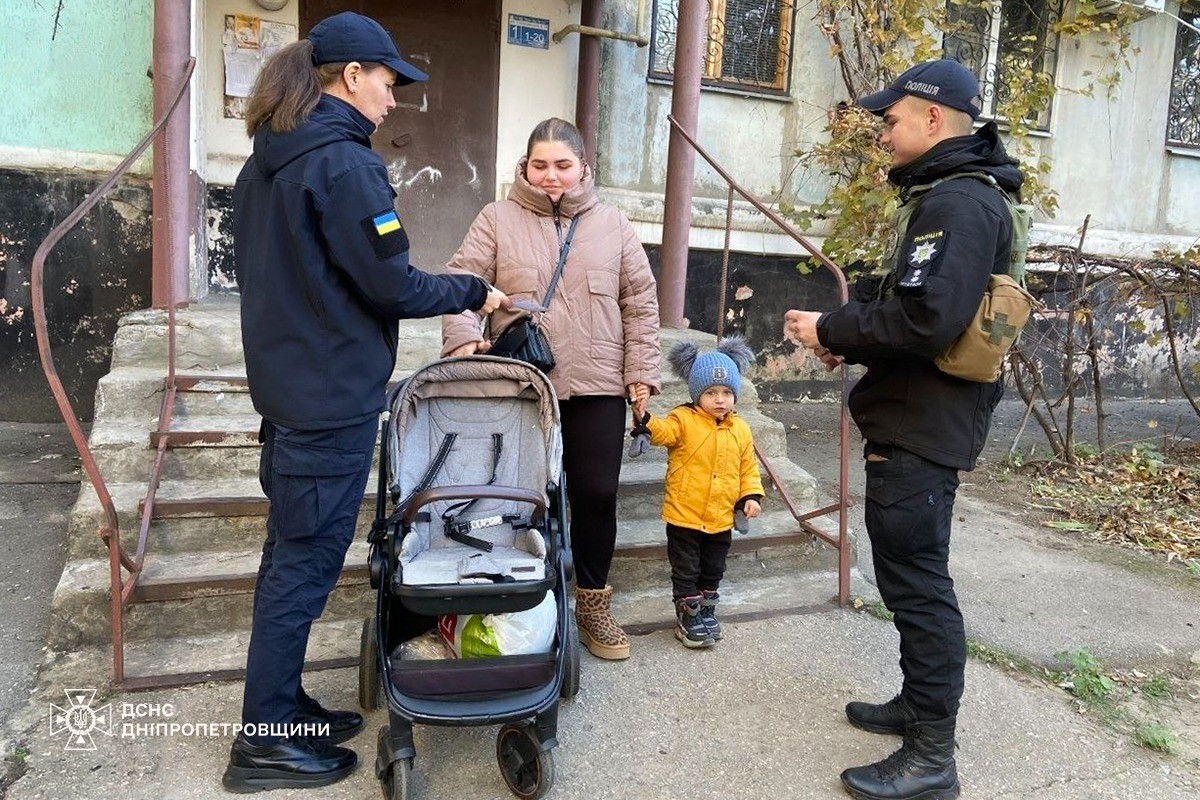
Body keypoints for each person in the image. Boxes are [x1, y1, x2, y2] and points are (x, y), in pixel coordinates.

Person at [225, 12, 505, 793]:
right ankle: (263, 743)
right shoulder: (345, 167)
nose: (395, 98)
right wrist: (473, 291)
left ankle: (281, 707)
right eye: (389, 82)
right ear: (351, 77)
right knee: (303, 568)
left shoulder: (268, 162)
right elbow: (391, 283)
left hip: (291, 394)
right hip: (326, 402)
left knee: (290, 558)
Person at [783, 59, 1022, 800]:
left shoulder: (958, 203)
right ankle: (917, 708)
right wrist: (845, 339)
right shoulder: (951, 195)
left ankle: (931, 757)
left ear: (931, 118)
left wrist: (832, 323)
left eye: (890, 120)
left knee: (918, 586)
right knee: (909, 575)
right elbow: (921, 315)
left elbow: (925, 319)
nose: (883, 133)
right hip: (920, 415)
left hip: (923, 424)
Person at [441, 118, 661, 661]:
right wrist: (465, 340)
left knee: (596, 494)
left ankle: (591, 602)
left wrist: (642, 373)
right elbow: (461, 285)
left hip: (598, 383)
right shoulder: (496, 218)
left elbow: (640, 303)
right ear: (525, 166)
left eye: (563, 165)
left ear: (584, 168)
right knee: (521, 494)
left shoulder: (614, 224)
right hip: (521, 384)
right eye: (540, 165)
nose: (551, 177)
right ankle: (522, 598)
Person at [630, 338, 764, 648]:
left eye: (727, 393)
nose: (720, 400)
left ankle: (705, 611)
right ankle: (687, 615)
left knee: (713, 569)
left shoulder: (741, 429)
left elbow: (748, 468)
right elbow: (663, 432)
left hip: (720, 516)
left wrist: (751, 496)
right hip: (685, 516)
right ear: (696, 394)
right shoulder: (683, 419)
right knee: (686, 569)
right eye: (711, 393)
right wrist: (644, 417)